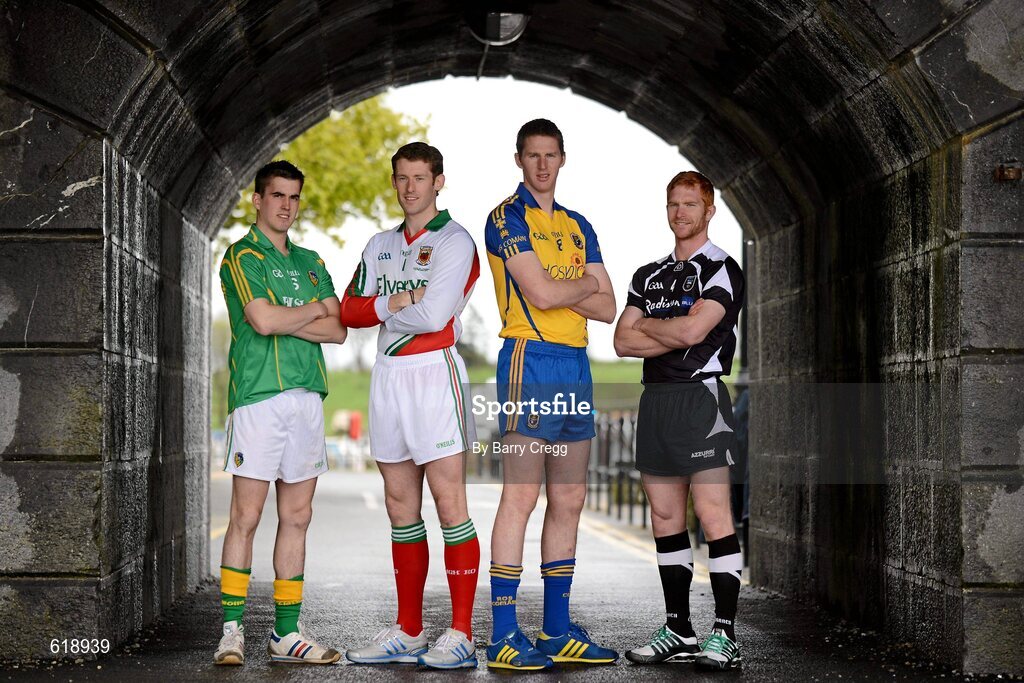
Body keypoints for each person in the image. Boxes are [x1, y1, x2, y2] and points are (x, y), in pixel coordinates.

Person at [482, 119, 618, 670]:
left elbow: (609, 310)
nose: (542, 165)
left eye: (551, 155)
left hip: (576, 365)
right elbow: (538, 293)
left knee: (570, 499)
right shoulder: (504, 217)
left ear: (563, 159)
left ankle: (558, 629)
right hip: (529, 361)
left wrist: (577, 291)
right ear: (519, 159)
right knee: (521, 497)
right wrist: (584, 284)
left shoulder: (579, 224)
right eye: (532, 155)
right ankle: (503, 633)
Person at [340, 142, 481, 669]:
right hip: (389, 377)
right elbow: (347, 309)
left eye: (419, 178)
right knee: (401, 508)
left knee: (450, 505)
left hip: (434, 374)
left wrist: (388, 312)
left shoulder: (455, 241)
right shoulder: (378, 244)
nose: (409, 188)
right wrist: (392, 303)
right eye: (401, 178)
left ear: (438, 181)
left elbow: (435, 316)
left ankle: (463, 633)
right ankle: (410, 629)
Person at [215, 160, 347, 666]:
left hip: (308, 398)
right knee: (245, 515)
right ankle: (231, 631)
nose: (286, 206)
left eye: (293, 197)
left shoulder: (312, 260)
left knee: (297, 516)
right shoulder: (242, 256)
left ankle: (286, 635)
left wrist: (303, 317)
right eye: (277, 196)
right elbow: (263, 320)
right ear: (258, 199)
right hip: (258, 399)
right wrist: (313, 311)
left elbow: (338, 331)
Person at [613, 171, 745, 670]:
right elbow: (623, 342)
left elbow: (695, 329)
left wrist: (652, 325)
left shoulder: (723, 269)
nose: (681, 213)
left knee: (713, 516)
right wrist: (669, 331)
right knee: (665, 518)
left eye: (691, 205)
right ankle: (679, 628)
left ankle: (726, 634)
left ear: (708, 210)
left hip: (701, 401)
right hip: (657, 401)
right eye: (674, 204)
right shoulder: (647, 275)